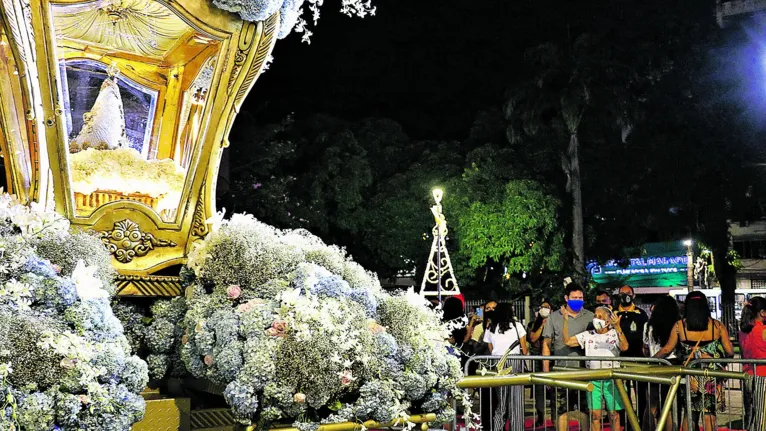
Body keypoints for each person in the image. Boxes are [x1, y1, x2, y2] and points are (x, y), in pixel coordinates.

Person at [654, 290, 734, 431]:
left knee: (690, 414)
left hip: (690, 377)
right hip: (712, 377)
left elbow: (667, 349)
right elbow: (730, 352)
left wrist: (650, 361)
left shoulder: (680, 326)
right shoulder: (717, 326)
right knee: (709, 415)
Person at [562, 306, 628, 431]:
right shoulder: (588, 335)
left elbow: (624, 347)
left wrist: (618, 327)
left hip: (612, 380)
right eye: (595, 316)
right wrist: (565, 321)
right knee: (595, 415)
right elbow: (567, 341)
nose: (596, 319)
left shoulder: (615, 334)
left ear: (608, 321)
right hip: (593, 380)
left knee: (614, 415)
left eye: (600, 317)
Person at [543, 282, 594, 431]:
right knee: (561, 411)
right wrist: (546, 372)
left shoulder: (590, 316)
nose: (578, 300)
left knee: (585, 411)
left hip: (584, 372)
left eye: (580, 297)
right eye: (574, 297)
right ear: (566, 298)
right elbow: (546, 344)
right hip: (561, 372)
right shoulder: (554, 317)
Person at [484, 302, 528, 431]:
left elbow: (491, 348)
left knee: (501, 402)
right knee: (516, 401)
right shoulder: (517, 326)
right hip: (515, 362)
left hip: (499, 364)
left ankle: (497, 428)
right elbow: (524, 350)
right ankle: (517, 427)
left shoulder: (491, 327)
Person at [643, 296, 681, 431]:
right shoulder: (677, 324)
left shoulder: (648, 326)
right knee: (669, 406)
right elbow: (669, 348)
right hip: (672, 365)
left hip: (654, 366)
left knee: (653, 405)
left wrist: (652, 359)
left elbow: (645, 347)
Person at [615, 285, 649, 421]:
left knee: (640, 392)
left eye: (627, 293)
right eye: (621, 293)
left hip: (638, 360)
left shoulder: (641, 314)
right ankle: (626, 421)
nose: (625, 296)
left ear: (633, 295)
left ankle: (641, 421)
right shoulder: (613, 314)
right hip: (619, 360)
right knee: (622, 394)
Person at [740, 296, 766, 431]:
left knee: (751, 414)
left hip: (747, 375)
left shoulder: (743, 332)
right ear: (762, 313)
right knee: (762, 416)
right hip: (763, 377)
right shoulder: (762, 331)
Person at [528, 299, 553, 426]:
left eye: (547, 307)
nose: (545, 309)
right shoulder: (534, 324)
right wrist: (543, 325)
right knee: (539, 388)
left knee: (554, 387)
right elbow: (532, 338)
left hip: (552, 358)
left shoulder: (555, 321)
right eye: (542, 307)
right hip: (538, 357)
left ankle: (555, 417)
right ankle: (540, 415)